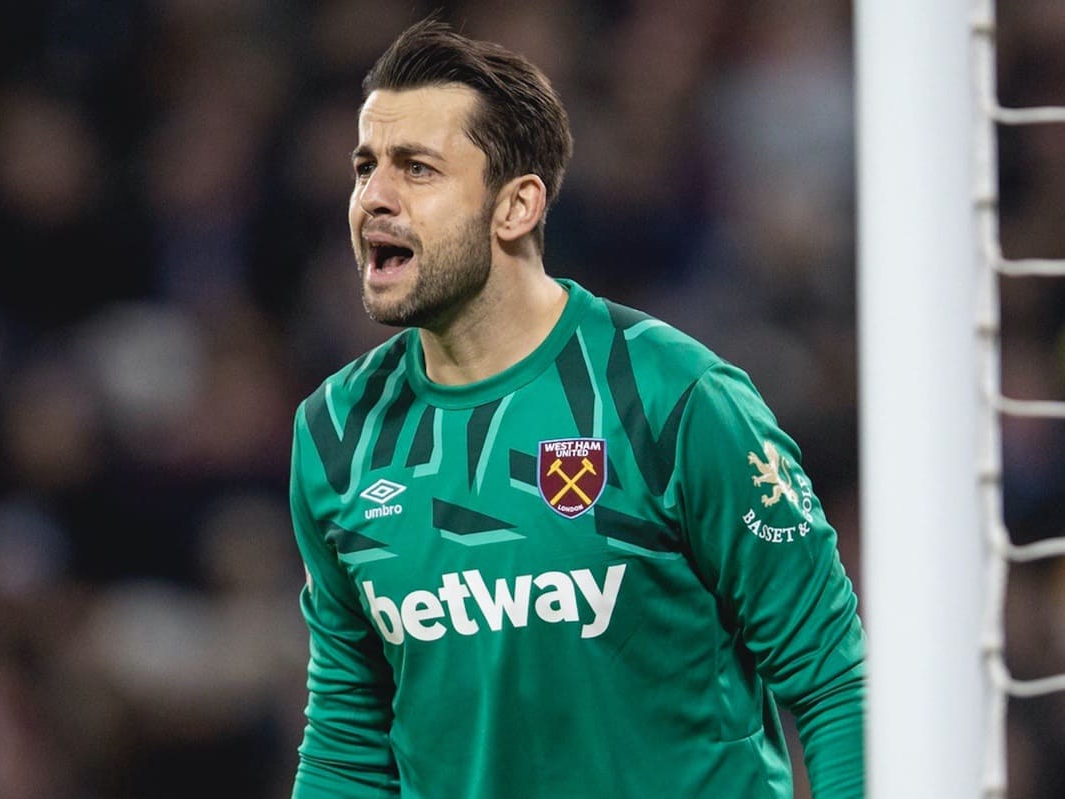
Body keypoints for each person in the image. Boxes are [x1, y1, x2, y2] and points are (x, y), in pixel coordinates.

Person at [287, 17, 865, 799]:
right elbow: (350, 741)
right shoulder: (335, 434)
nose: (373, 198)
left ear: (517, 206)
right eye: (365, 168)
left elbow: (831, 678)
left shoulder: (673, 397)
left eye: (416, 168)